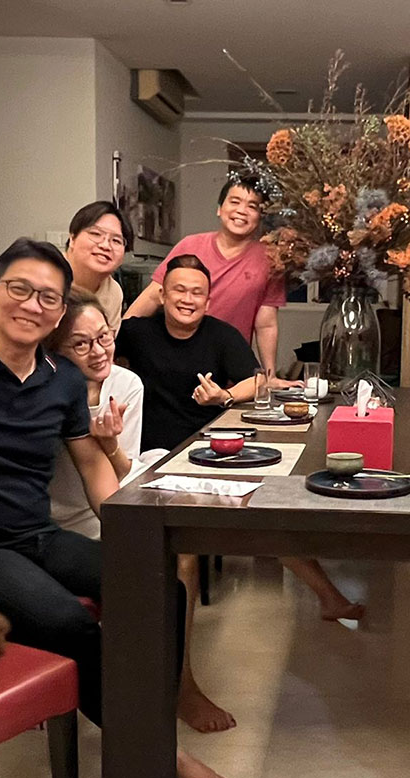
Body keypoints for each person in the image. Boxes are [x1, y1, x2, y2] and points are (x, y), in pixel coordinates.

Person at [0, 239, 243, 778]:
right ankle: (165, 759)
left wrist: (133, 537)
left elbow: (93, 468)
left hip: (37, 535)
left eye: (47, 295)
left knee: (161, 589)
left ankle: (146, 728)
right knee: (69, 622)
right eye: (20, 289)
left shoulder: (62, 381)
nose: (32, 304)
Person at [117, 254, 364, 733]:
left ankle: (329, 597)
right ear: (162, 293)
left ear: (208, 300)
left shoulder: (219, 334)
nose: (188, 300)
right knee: (182, 552)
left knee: (262, 507)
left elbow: (256, 379)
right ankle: (181, 686)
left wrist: (224, 397)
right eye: (179, 290)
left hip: (209, 451)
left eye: (198, 293)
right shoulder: (137, 333)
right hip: (152, 461)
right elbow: (100, 346)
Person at [123, 175, 289, 376]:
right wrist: (120, 340)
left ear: (260, 216)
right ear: (219, 208)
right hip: (174, 362)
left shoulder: (271, 259)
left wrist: (269, 377)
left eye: (252, 206)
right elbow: (152, 296)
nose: (241, 211)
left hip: (228, 368)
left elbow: (266, 324)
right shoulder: (190, 245)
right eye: (234, 202)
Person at [45, 286, 166, 539]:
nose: (99, 352)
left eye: (104, 337)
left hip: (105, 508)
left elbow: (124, 476)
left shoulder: (126, 384)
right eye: (80, 344)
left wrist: (109, 443)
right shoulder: (44, 392)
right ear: (53, 351)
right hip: (50, 519)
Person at [0, 201, 132, 337]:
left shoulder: (113, 293)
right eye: (95, 234)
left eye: (116, 240)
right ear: (73, 238)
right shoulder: (42, 274)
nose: (105, 245)